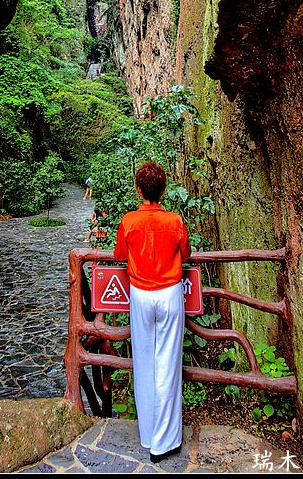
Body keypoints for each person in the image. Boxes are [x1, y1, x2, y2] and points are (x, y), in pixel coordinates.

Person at [114, 161, 191, 464]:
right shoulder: (174, 221)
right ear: (164, 189)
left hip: (141, 294)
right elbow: (185, 254)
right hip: (169, 293)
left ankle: (148, 434)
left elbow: (120, 254)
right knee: (168, 362)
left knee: (144, 361)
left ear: (138, 190)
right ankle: (164, 440)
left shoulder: (129, 221)